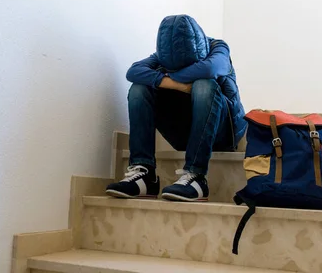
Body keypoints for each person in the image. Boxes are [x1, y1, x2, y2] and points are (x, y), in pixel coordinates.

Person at [106, 15, 247, 202]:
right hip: (186, 134)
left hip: (224, 133)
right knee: (140, 89)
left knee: (204, 85)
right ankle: (144, 173)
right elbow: (133, 72)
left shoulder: (218, 48)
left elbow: (210, 70)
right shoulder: (164, 56)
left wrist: (168, 77)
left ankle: (196, 176)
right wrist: (178, 85)